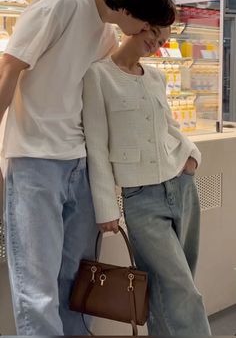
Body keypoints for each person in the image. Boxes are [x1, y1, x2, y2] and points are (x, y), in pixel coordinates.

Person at [0, 0, 176, 336]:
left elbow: (116, 76)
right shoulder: (63, 3)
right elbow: (9, 68)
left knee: (76, 278)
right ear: (129, 10)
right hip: (34, 159)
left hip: (78, 161)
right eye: (147, 24)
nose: (146, 32)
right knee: (36, 283)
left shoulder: (107, 31)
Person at [82, 25, 211, 336]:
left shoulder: (156, 76)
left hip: (180, 186)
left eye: (163, 38)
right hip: (141, 197)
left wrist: (191, 155)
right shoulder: (98, 75)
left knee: (172, 288)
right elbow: (96, 145)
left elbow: (169, 125)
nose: (156, 42)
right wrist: (105, 207)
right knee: (182, 289)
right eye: (153, 32)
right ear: (134, 26)